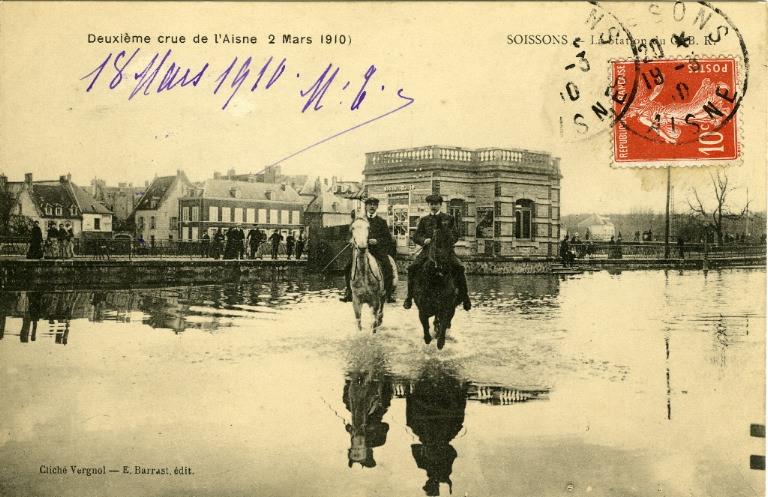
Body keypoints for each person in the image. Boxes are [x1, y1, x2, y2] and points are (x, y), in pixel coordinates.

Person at [403, 194, 470, 311]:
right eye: (431, 204)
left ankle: (465, 297)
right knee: (412, 268)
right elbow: (416, 236)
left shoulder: (448, 218)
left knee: (459, 268)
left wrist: (446, 240)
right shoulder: (424, 220)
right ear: (428, 205)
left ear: (440, 205)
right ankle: (409, 297)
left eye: (436, 204)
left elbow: (455, 235)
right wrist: (424, 240)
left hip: (446, 251)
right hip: (428, 251)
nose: (433, 206)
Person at [340, 197, 397, 303]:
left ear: (377, 207)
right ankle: (348, 291)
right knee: (348, 267)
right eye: (369, 204)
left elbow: (387, 238)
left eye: (374, 205)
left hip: (376, 251)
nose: (372, 206)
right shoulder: (359, 221)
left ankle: (388, 293)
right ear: (365, 207)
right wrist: (352, 240)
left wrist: (377, 241)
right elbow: (350, 234)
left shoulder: (381, 222)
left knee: (387, 267)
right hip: (361, 250)